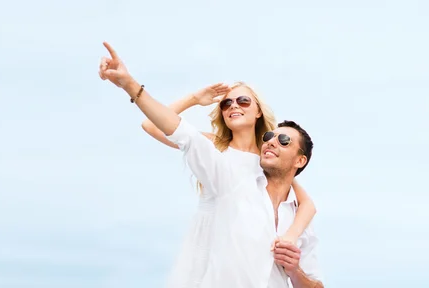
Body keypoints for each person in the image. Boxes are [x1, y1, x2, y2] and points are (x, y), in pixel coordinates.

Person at [98, 42, 323, 287]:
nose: (233, 106)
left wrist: (290, 239)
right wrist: (194, 99)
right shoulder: (214, 148)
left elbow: (304, 202)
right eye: (226, 103)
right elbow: (155, 126)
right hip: (212, 251)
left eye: (243, 101)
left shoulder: (267, 160)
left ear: (259, 111)